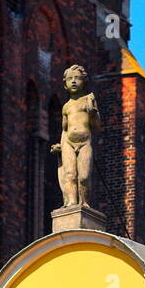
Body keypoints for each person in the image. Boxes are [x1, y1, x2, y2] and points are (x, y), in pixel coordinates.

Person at [52, 64, 101, 208]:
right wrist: (60, 146)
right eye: (70, 79)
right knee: (70, 174)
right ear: (65, 84)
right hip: (68, 142)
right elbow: (64, 129)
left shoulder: (89, 100)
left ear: (84, 81)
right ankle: (72, 203)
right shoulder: (66, 106)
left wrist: (92, 113)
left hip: (85, 142)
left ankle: (84, 203)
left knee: (84, 176)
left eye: (77, 78)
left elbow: (96, 125)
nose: (73, 81)